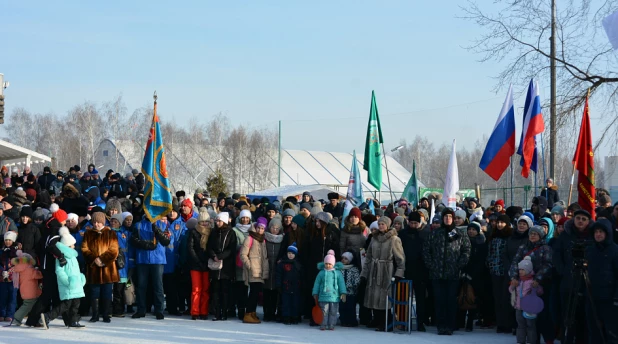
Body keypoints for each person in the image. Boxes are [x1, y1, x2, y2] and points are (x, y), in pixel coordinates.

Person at [423, 208, 471, 335]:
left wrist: (459, 265)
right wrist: (431, 265)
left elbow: (466, 250)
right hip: (437, 273)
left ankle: (450, 325)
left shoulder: (460, 234)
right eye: (445, 216)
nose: (448, 219)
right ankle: (441, 325)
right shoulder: (435, 233)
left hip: (453, 274)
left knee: (451, 300)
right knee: (439, 301)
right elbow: (426, 251)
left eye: (450, 216)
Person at [552, 209, 593, 344]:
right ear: (573, 220)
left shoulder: (593, 235)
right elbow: (557, 255)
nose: (580, 221)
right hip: (568, 281)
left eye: (584, 219)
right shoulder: (565, 235)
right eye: (578, 218)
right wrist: (563, 270)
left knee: (585, 316)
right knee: (568, 315)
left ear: (588, 221)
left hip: (587, 282)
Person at [509, 225, 554, 343]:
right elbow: (515, 262)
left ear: (540, 235)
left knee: (541, 316)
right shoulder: (523, 247)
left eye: (535, 234)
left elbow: (548, 265)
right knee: (524, 318)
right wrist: (514, 276)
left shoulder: (546, 248)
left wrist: (538, 279)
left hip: (540, 284)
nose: (532, 235)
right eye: (531, 233)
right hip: (523, 284)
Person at [361, 216, 405, 332]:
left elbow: (400, 258)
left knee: (384, 295)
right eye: (379, 224)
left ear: (387, 225)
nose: (380, 226)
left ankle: (386, 320)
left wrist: (399, 273)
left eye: (383, 224)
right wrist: (364, 273)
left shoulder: (394, 239)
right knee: (373, 294)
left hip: (386, 269)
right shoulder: (374, 239)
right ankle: (376, 318)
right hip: (374, 269)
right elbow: (369, 257)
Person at [40, 227, 87, 329]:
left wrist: (80, 278)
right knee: (66, 305)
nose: (74, 246)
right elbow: (60, 271)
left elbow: (76, 271)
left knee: (76, 304)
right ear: (67, 246)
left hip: (76, 285)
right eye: (72, 244)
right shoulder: (62, 257)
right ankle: (48, 316)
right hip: (69, 285)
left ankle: (73, 321)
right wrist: (68, 282)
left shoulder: (73, 257)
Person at [130, 216, 171, 320]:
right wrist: (145, 244)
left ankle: (159, 310)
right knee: (141, 286)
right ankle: (141, 309)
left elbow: (166, 241)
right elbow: (133, 240)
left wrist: (157, 230)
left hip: (157, 259)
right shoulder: (138, 225)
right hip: (142, 259)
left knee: (158, 286)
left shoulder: (162, 225)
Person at [81, 211, 119, 323]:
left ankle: (106, 314)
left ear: (103, 222)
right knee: (94, 292)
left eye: (98, 222)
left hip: (108, 268)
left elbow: (114, 250)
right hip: (93, 268)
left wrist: (102, 259)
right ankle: (95, 314)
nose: (96, 224)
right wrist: (94, 259)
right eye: (94, 222)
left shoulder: (111, 233)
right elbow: (84, 249)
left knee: (107, 292)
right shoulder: (88, 234)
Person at [585, 219, 618, 343]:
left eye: (601, 232)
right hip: (592, 297)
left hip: (609, 299)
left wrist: (616, 297)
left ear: (607, 233)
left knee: (611, 332)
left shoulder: (615, 250)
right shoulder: (590, 250)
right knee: (593, 330)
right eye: (596, 232)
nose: (598, 234)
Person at [399, 211, 430, 331]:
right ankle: (402, 321)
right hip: (406, 270)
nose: (413, 225)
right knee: (403, 297)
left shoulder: (425, 234)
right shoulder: (403, 234)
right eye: (411, 223)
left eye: (415, 223)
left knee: (421, 299)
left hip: (421, 271)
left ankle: (420, 322)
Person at [459, 221, 490, 332]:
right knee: (462, 296)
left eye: (473, 230)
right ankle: (460, 321)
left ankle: (470, 322)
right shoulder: (463, 241)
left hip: (477, 276)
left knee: (472, 298)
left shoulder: (482, 243)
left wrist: (472, 274)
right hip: (463, 273)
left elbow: (481, 262)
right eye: (469, 229)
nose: (471, 232)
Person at [207, 212, 237, 321]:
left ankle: (224, 312)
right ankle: (217, 312)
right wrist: (214, 256)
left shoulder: (231, 233)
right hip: (215, 265)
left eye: (219, 221)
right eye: (216, 221)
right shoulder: (214, 232)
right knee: (215, 290)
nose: (217, 223)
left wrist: (221, 256)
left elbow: (231, 249)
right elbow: (209, 246)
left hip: (226, 267)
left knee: (225, 291)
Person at [240, 217, 269, 324]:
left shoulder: (263, 240)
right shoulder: (250, 238)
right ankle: (248, 313)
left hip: (260, 272)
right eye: (259, 228)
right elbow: (243, 254)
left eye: (262, 228)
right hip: (253, 271)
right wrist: (250, 266)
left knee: (256, 294)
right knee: (253, 293)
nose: (260, 230)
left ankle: (252, 312)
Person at [509, 256, 543, 344]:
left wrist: (536, 287)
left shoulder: (532, 281)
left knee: (531, 325)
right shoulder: (518, 281)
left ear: (528, 270)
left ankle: (532, 341)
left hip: (530, 308)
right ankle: (521, 341)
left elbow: (540, 292)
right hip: (519, 307)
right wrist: (513, 285)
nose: (520, 271)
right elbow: (510, 290)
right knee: (520, 326)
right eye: (519, 269)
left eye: (523, 269)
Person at [312, 250, 346, 331]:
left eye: (330, 264)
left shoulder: (337, 273)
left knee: (333, 312)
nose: (328, 265)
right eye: (326, 263)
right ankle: (323, 324)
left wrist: (343, 293)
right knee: (324, 311)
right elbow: (317, 283)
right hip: (323, 296)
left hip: (334, 296)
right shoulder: (321, 273)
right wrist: (315, 293)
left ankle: (331, 324)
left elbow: (341, 283)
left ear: (333, 264)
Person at [8, 250, 42, 326]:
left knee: (28, 305)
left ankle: (31, 319)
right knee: (27, 305)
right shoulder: (29, 269)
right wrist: (40, 271)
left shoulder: (21, 268)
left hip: (25, 290)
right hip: (31, 291)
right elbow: (38, 275)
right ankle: (17, 318)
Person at [187, 211, 211, 320]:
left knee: (205, 289)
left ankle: (204, 311)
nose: (205, 223)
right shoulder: (194, 232)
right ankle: (195, 311)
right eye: (202, 221)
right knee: (196, 289)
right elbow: (190, 248)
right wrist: (198, 262)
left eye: (206, 221)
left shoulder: (211, 232)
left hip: (207, 264)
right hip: (195, 264)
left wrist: (207, 261)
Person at [231, 209, 253, 320]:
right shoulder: (234, 230)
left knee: (249, 288)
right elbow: (232, 245)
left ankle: (248, 310)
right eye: (243, 217)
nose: (245, 220)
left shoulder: (253, 230)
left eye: (247, 218)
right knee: (240, 288)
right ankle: (240, 310)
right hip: (238, 263)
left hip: (250, 263)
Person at [276, 243, 302, 325]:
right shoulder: (282, 264)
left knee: (295, 303)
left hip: (296, 288)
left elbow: (301, 276)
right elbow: (278, 275)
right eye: (289, 253)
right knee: (285, 303)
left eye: (292, 254)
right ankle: (286, 317)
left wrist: (301, 285)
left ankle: (294, 317)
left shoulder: (298, 264)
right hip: (285, 287)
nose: (290, 255)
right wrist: (279, 285)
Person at [263, 218, 283, 322]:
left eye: (276, 228)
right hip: (267, 267)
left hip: (277, 269)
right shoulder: (265, 238)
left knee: (275, 293)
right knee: (266, 292)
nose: (274, 230)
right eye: (272, 227)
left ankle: (273, 312)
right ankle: (266, 313)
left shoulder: (282, 239)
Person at [111, 213, 131, 318]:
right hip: (112, 264)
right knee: (112, 290)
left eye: (115, 222)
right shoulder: (109, 233)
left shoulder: (125, 233)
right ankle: (112, 309)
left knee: (120, 289)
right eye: (112, 222)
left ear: (119, 223)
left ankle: (120, 310)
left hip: (123, 264)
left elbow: (130, 249)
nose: (113, 224)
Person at [0, 231, 19, 322]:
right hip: (2, 277)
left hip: (13, 278)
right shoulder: (1, 251)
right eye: (6, 240)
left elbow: (19, 264)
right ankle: (2, 313)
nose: (8, 242)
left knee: (12, 296)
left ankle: (10, 314)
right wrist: (2, 271)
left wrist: (10, 271)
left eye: (10, 240)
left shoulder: (17, 252)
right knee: (2, 296)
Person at [339, 251, 360, 327]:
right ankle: (343, 320)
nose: (343, 260)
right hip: (341, 292)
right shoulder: (339, 269)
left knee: (350, 306)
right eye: (343, 258)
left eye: (346, 259)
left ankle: (351, 320)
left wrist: (353, 286)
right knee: (342, 307)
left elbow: (357, 279)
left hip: (350, 292)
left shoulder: (354, 269)